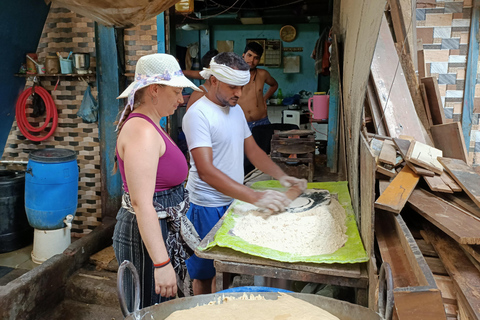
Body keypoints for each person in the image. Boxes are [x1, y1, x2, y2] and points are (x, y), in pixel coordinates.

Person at [182, 52, 307, 295]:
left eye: (242, 87)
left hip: (231, 203)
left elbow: (253, 150)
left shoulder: (235, 111)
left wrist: (282, 176)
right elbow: (207, 172)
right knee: (205, 275)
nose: (238, 93)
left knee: (226, 269)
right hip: (205, 207)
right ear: (214, 80)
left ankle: (223, 305)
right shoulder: (198, 115)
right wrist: (256, 197)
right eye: (232, 87)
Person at [112, 53, 202, 310]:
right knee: (148, 310)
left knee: (161, 308)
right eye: (176, 92)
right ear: (154, 90)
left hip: (158, 230)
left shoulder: (153, 125)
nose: (181, 99)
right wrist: (161, 263)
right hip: (147, 235)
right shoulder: (142, 131)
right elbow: (142, 204)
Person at [237, 41, 279, 130]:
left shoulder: (263, 74)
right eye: (249, 55)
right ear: (243, 55)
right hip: (241, 124)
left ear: (259, 60)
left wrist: (264, 98)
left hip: (262, 122)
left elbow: (274, 85)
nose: (251, 60)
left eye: (256, 58)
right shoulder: (234, 74)